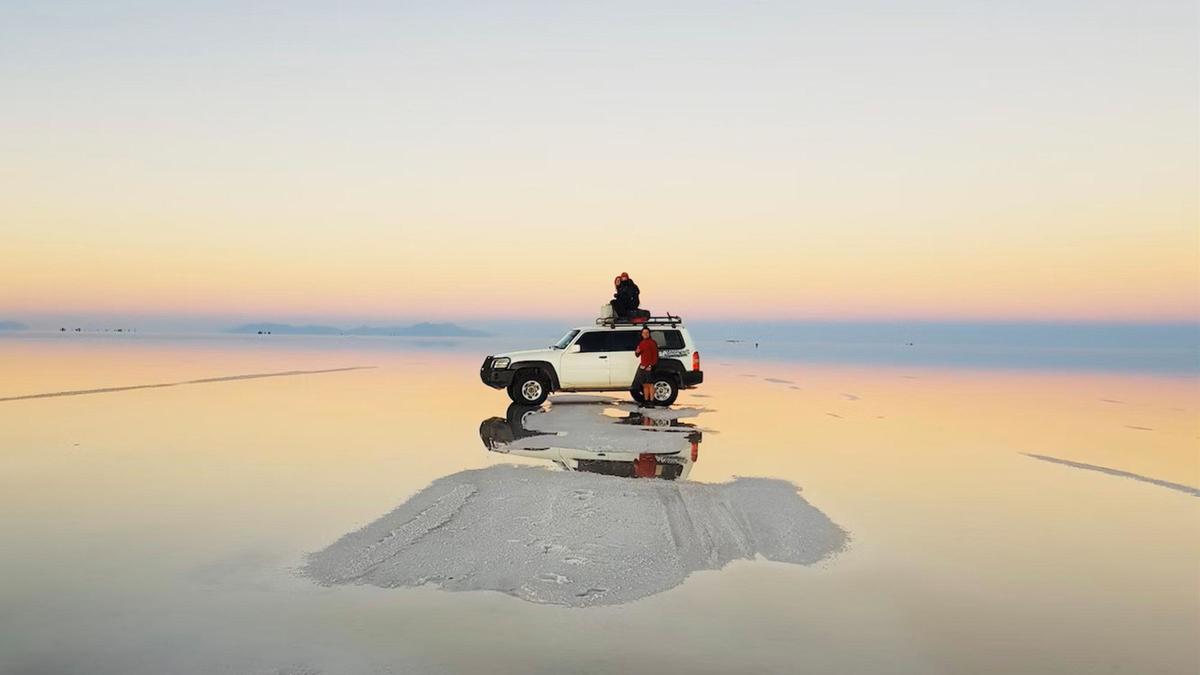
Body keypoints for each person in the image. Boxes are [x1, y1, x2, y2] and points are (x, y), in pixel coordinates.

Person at [633, 326, 659, 406]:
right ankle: (646, 401)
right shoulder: (641, 343)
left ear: (649, 334)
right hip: (643, 366)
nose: (645, 334)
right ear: (642, 334)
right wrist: (637, 352)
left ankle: (651, 401)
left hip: (649, 367)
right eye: (643, 333)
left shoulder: (652, 342)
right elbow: (638, 354)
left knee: (650, 384)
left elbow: (655, 355)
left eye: (647, 333)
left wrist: (651, 366)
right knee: (644, 385)